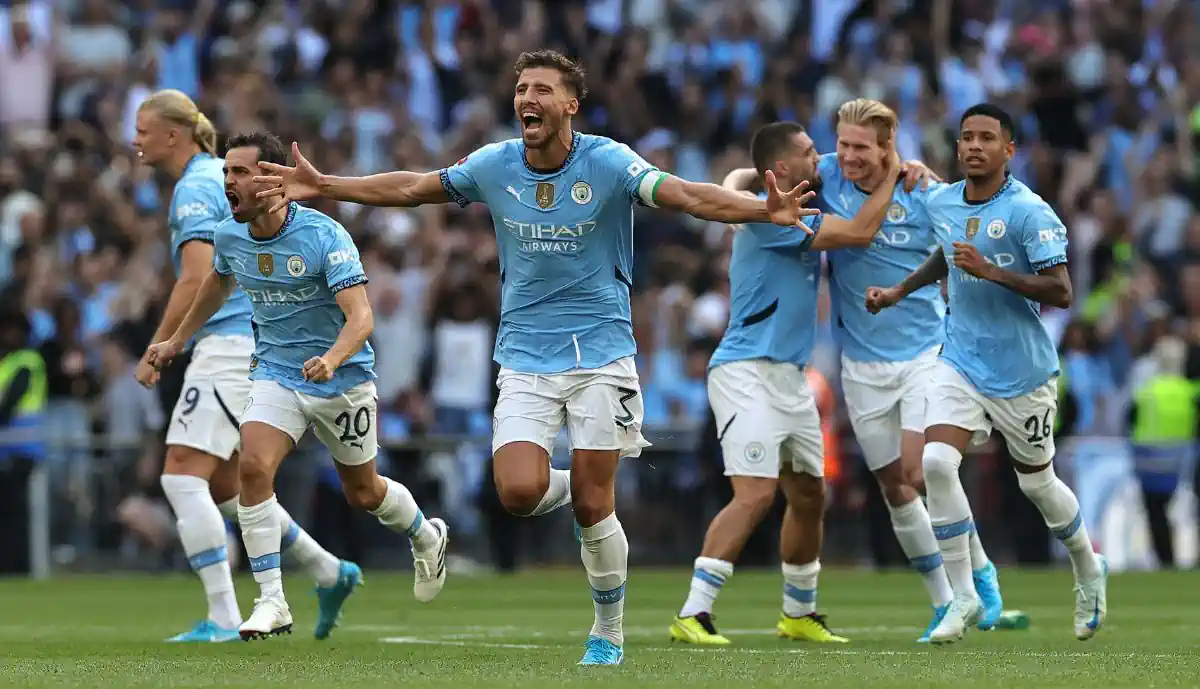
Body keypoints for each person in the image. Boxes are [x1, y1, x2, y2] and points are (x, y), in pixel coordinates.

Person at [250, 49, 819, 665]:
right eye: (522, 88)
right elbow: (416, 186)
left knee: (597, 505)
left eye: (543, 89)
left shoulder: (607, 162)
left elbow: (683, 195)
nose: (528, 98)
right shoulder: (495, 164)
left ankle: (608, 629)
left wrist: (763, 209)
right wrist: (330, 185)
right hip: (524, 356)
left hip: (602, 354)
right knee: (517, 492)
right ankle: (586, 484)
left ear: (571, 104)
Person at [145, 132, 449, 641]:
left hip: (342, 378)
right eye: (226, 174)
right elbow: (216, 284)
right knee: (253, 467)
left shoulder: (323, 236)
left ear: (271, 179)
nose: (229, 183)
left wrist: (331, 359)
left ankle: (425, 534)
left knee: (364, 492)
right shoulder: (229, 235)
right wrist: (176, 340)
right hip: (275, 372)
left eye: (239, 173)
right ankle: (272, 601)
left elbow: (362, 318)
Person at [866, 103, 1107, 644]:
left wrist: (992, 271)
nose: (974, 146)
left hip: (1023, 373)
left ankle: (1088, 569)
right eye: (966, 137)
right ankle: (964, 596)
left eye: (986, 138)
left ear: (1008, 150)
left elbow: (1063, 292)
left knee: (1039, 485)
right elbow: (947, 258)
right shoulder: (945, 201)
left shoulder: (1029, 212)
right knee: (934, 462)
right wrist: (900, 291)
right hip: (960, 361)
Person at [132, 91, 360, 643]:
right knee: (232, 490)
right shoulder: (219, 176)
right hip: (249, 340)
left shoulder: (193, 189)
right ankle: (329, 570)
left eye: (143, 129)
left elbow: (196, 276)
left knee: (181, 475)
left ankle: (223, 615)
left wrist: (162, 344)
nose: (134, 139)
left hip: (226, 345)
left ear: (174, 135)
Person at [668, 120, 901, 646]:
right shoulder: (778, 219)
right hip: (746, 371)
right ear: (782, 169)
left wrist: (753, 172)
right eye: (808, 151)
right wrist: (892, 174)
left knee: (810, 493)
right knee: (754, 494)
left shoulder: (765, 204)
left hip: (790, 376)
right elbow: (862, 232)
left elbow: (731, 181)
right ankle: (693, 612)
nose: (820, 156)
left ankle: (798, 612)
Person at [818, 99, 1004, 640]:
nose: (847, 156)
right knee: (896, 491)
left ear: (888, 147)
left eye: (860, 147)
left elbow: (963, 248)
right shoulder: (826, 175)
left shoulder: (925, 191)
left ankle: (980, 574)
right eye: (843, 143)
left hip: (926, 354)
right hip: (860, 363)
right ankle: (946, 603)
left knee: (922, 472)